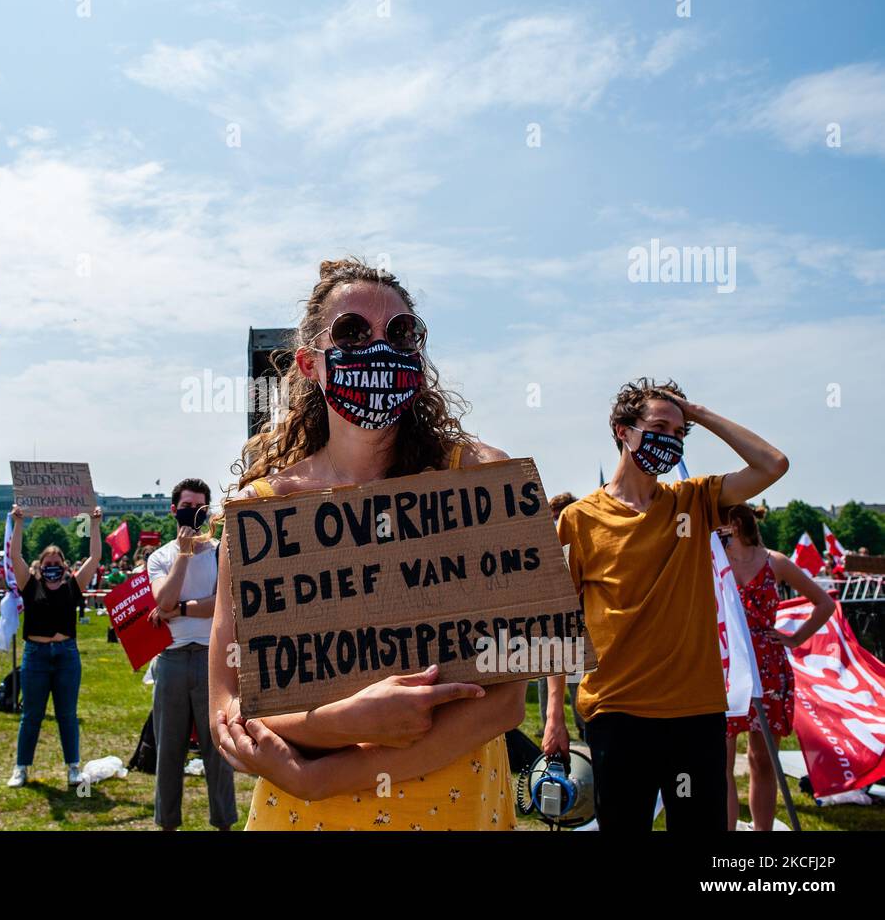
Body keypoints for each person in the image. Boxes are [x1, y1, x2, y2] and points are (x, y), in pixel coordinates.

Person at [210, 257, 527, 830]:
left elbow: (505, 698)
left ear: (418, 361)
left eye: (400, 332)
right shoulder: (261, 509)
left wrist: (323, 775)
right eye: (353, 331)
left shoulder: (476, 478)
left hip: (450, 810)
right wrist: (339, 722)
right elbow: (228, 705)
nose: (379, 346)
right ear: (311, 364)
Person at [543, 378, 789, 831]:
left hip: (694, 713)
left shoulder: (693, 500)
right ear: (623, 430)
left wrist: (696, 412)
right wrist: (554, 715)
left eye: (679, 434)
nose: (670, 440)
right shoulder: (578, 520)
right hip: (616, 712)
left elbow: (773, 464)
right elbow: (559, 623)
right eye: (659, 427)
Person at [719, 504, 833, 830]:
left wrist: (795, 638)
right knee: (721, 763)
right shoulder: (715, 562)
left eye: (721, 525)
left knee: (763, 759)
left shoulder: (775, 562)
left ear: (736, 525)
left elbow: (824, 603)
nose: (716, 531)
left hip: (767, 667)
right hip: (726, 666)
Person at [145, 478, 237, 831]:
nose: (192, 515)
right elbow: (161, 601)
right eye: (186, 507)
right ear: (173, 510)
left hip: (211, 659)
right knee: (169, 749)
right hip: (170, 660)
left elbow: (221, 605)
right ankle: (167, 822)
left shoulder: (219, 551)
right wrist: (183, 556)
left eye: (199, 508)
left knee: (219, 749)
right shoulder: (160, 557)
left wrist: (181, 609)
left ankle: (224, 821)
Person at [6, 503, 103, 787]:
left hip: (66, 655)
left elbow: (95, 556)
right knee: (31, 715)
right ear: (40, 566)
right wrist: (19, 522)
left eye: (56, 564)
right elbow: (15, 555)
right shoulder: (29, 584)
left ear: (64, 565)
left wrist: (95, 524)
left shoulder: (73, 585)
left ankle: (73, 767)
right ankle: (21, 767)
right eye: (47, 564)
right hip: (35, 656)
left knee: (67, 715)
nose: (52, 568)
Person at [537, 493, 584, 740]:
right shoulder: (547, 551)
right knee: (548, 694)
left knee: (581, 701)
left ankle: (585, 738)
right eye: (553, 518)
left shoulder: (585, 549)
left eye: (560, 518)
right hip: (551, 637)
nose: (557, 524)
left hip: (580, 636)